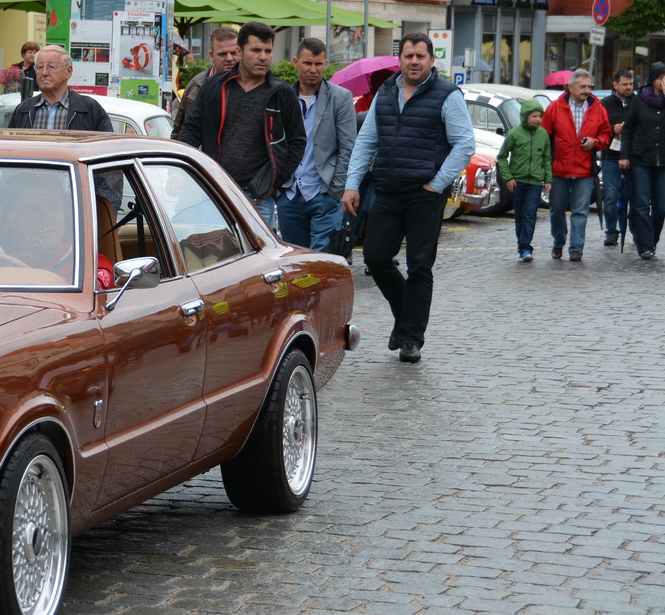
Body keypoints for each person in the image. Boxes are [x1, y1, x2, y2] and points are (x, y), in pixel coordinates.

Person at [339, 32, 474, 364]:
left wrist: (437, 183)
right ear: (400, 60)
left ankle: (411, 338)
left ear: (431, 60)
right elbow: (367, 141)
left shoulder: (447, 95)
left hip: (425, 196)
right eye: (409, 56)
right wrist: (352, 184)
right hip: (387, 189)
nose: (414, 61)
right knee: (376, 256)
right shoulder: (386, 92)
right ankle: (405, 316)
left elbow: (464, 144)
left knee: (419, 266)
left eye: (421, 56)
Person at [180, 23, 306, 231]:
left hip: (257, 196)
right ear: (240, 52)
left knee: (257, 259)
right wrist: (182, 171)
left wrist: (274, 183)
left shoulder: (281, 93)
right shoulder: (214, 87)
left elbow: (297, 141)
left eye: (268, 51)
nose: (263, 56)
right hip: (215, 189)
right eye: (256, 50)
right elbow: (191, 130)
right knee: (213, 255)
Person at [277, 37, 358, 253]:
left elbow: (348, 147)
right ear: (296, 62)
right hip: (289, 193)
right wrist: (278, 189)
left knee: (322, 261)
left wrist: (336, 189)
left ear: (325, 64)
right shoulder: (282, 97)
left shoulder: (340, 98)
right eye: (307, 63)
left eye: (318, 64)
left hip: (325, 193)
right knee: (295, 260)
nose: (313, 69)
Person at [540, 68, 614, 262]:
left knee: (580, 211)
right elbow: (543, 136)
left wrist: (595, 142)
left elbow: (606, 135)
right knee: (557, 209)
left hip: (584, 169)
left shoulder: (598, 108)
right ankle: (558, 241)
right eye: (582, 86)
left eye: (589, 86)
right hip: (559, 168)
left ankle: (576, 249)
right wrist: (544, 165)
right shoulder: (555, 107)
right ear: (571, 87)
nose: (586, 90)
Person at [618, 62, 665, 260]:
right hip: (641, 158)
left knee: (660, 207)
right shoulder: (639, 100)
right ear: (653, 79)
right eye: (660, 77)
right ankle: (644, 244)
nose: (664, 81)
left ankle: (652, 240)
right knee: (640, 203)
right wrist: (624, 155)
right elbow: (629, 129)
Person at [8, 45, 114, 131]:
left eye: (51, 67)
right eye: (40, 67)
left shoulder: (89, 109)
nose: (44, 73)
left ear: (68, 71)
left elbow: (106, 150)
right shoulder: (24, 110)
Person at [495, 102, 551, 261]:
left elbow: (547, 159)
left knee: (530, 215)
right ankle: (522, 247)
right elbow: (501, 157)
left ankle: (526, 247)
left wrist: (548, 179)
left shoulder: (543, 135)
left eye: (540, 116)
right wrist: (508, 178)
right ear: (525, 116)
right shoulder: (514, 134)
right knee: (519, 216)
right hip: (517, 182)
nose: (537, 119)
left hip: (535, 182)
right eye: (534, 116)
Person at [171, 26, 239, 139]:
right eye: (222, 54)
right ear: (211, 55)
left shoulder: (251, 86)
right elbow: (179, 131)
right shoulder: (196, 85)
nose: (229, 58)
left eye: (233, 53)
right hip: (200, 155)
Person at [598, 69, 635, 246]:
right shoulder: (605, 104)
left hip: (634, 157)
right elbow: (597, 128)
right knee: (611, 196)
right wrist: (612, 129)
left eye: (631, 84)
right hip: (610, 156)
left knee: (635, 197)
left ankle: (636, 231)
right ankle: (611, 231)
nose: (628, 87)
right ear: (615, 85)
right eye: (625, 84)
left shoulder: (638, 102)